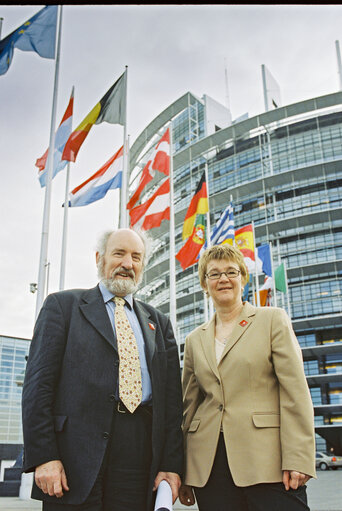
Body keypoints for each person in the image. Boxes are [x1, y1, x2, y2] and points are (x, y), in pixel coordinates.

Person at [22, 228, 183, 511]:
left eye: (136, 257)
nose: (127, 264)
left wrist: (171, 464)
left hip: (139, 452)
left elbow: (171, 403)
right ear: (100, 258)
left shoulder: (159, 323)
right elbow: (38, 387)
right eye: (119, 253)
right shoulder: (63, 306)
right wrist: (44, 456)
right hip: (74, 458)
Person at [179, 244, 316, 511]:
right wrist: (184, 469)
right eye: (214, 274)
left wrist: (298, 457)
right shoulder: (194, 339)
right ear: (204, 285)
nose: (223, 279)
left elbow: (295, 392)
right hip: (210, 466)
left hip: (267, 461)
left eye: (231, 271)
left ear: (243, 278)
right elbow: (188, 407)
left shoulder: (272, 320)